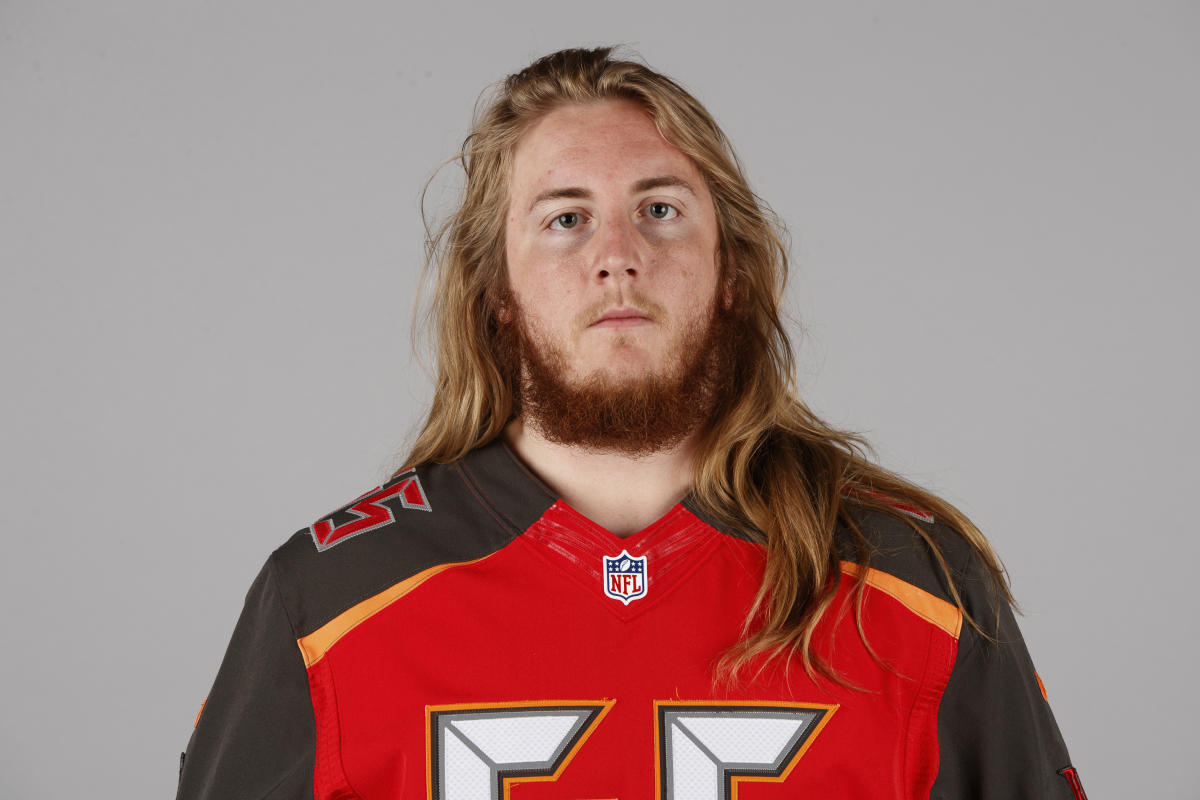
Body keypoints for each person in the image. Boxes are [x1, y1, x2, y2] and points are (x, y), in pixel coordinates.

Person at [176, 46, 1086, 800]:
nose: (618, 257)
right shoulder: (328, 605)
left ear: (731, 269)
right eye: (566, 220)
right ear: (497, 292)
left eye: (660, 210)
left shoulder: (915, 585)